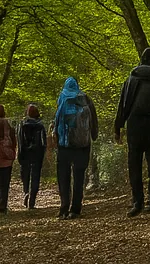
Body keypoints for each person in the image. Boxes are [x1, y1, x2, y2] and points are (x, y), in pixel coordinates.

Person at [113, 47, 150, 217]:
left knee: (135, 165)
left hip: (136, 127)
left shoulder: (132, 78)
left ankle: (137, 202)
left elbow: (124, 104)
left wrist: (118, 126)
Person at [52, 77, 99, 220]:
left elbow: (57, 119)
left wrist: (55, 135)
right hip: (83, 144)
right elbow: (93, 119)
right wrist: (93, 135)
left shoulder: (62, 97)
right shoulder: (85, 98)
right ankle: (76, 209)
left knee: (63, 176)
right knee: (79, 176)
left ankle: (64, 207)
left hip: (64, 144)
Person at [17, 104, 48, 210]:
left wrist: (20, 155)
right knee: (35, 176)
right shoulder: (40, 126)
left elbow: (20, 141)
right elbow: (44, 142)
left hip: (25, 154)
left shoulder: (22, 124)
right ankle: (32, 200)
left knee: (25, 175)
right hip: (37, 154)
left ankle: (26, 192)